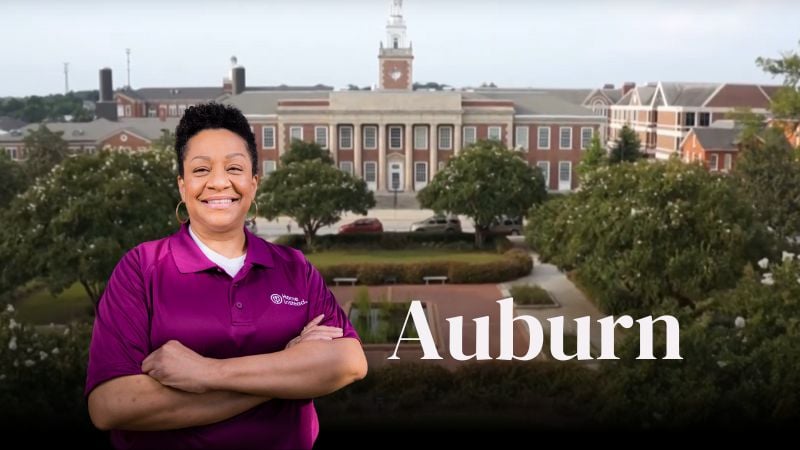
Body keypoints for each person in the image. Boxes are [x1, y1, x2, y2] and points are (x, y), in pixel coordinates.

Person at [85, 103, 367, 449]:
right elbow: (111, 405)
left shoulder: (294, 268)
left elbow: (349, 362)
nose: (219, 182)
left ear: (254, 183)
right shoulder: (141, 268)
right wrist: (288, 372)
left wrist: (205, 373)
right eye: (201, 169)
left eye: (234, 167)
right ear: (182, 185)